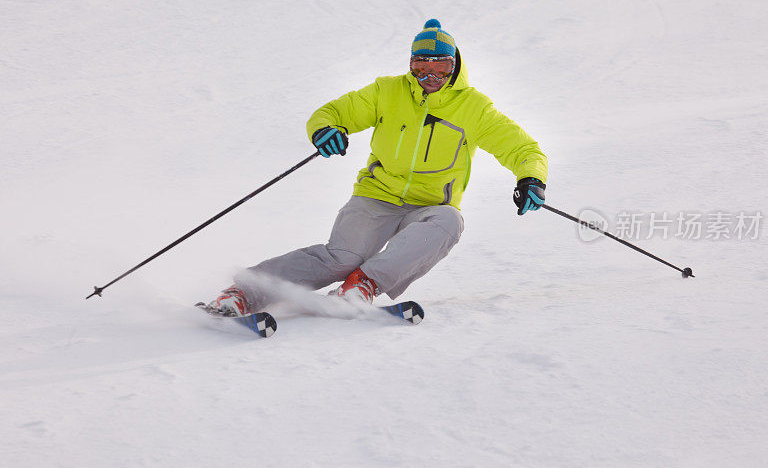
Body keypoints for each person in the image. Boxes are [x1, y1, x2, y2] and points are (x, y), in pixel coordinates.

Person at [204, 19, 548, 317]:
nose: (430, 76)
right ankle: (243, 293)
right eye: (420, 67)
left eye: (440, 67)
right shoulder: (388, 91)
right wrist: (326, 130)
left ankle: (361, 287)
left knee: (450, 222)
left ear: (454, 65)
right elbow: (332, 112)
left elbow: (521, 147)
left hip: (431, 205)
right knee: (340, 258)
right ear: (410, 65)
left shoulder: (474, 108)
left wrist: (531, 177)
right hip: (376, 196)